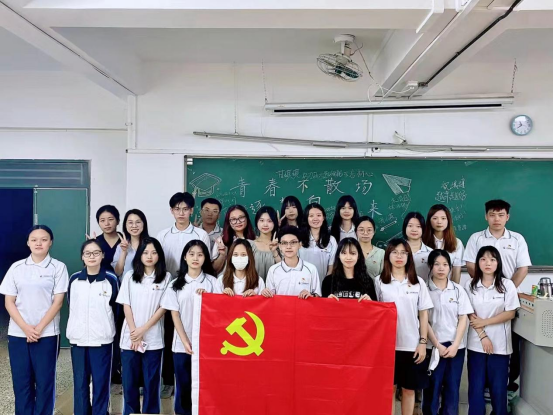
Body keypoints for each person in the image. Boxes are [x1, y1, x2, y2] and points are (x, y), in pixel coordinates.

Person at [463, 199, 531, 394]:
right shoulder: (476, 238)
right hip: (481, 296)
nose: (496, 219)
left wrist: (505, 289)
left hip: (508, 299)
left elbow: (523, 268)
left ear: (507, 217)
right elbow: (471, 265)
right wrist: (487, 286)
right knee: (480, 340)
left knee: (510, 342)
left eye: (501, 215)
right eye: (492, 214)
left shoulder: (517, 239)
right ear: (486, 216)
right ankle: (484, 388)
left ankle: (508, 386)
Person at [0, 225, 69, 415]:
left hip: (47, 334)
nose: (39, 243)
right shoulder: (16, 268)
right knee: (21, 382)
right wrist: (26, 328)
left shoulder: (58, 267)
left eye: (44, 239)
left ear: (51, 242)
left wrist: (38, 329)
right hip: (18, 334)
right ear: (28, 243)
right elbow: (9, 302)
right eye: (34, 239)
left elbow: (58, 302)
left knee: (45, 382)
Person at [160, 240, 221, 415]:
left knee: (204, 385)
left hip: (206, 345)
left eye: (200, 255)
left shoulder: (212, 282)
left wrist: (208, 298)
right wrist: (185, 341)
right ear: (185, 257)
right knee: (183, 384)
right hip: (181, 345)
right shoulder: (175, 284)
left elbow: (219, 312)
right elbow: (175, 315)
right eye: (192, 254)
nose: (195, 258)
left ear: (205, 258)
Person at [374, 238, 433, 415]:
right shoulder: (379, 281)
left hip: (412, 345)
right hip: (387, 346)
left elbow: (423, 314)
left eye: (403, 253)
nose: (399, 256)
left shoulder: (418, 282)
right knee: (389, 390)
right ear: (388, 255)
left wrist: (423, 342)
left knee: (409, 390)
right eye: (394, 252)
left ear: (409, 256)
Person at [116, 237, 171, 415]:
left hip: (153, 339)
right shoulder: (129, 276)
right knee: (129, 382)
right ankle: (130, 412)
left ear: (159, 256)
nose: (149, 256)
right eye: (145, 252)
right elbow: (126, 304)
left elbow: (163, 308)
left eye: (154, 252)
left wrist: (143, 330)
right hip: (130, 339)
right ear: (139, 255)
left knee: (151, 383)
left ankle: (150, 412)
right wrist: (134, 332)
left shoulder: (166, 277)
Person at [464, 246, 520, 415]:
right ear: (477, 263)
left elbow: (510, 313)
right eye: (483, 259)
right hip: (476, 344)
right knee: (476, 387)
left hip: (500, 346)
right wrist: (483, 336)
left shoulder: (507, 285)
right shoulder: (470, 285)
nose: (487, 263)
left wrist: (485, 322)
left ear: (498, 263)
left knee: (499, 388)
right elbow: (469, 313)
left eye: (492, 259)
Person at [67, 239, 119, 415]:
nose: (92, 256)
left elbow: (117, 310)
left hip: (102, 340)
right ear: (82, 256)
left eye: (96, 253)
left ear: (102, 255)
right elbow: (71, 305)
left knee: (101, 383)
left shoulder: (111, 280)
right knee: (80, 383)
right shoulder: (74, 279)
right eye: (87, 253)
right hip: (78, 340)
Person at [423, 250, 473, 415]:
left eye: (445, 264)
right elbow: (423, 320)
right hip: (433, 347)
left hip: (455, 347)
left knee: (452, 388)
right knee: (432, 388)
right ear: (430, 266)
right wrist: (437, 345)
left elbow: (463, 318)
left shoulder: (458, 290)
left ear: (450, 267)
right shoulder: (424, 290)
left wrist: (456, 344)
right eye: (437, 264)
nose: (441, 268)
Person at [157, 192, 213, 278]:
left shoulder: (201, 235)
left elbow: (205, 262)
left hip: (192, 281)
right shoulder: (162, 235)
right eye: (177, 209)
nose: (181, 213)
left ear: (191, 210)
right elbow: (157, 261)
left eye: (185, 209)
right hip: (166, 281)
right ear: (171, 210)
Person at [263, 226, 321, 298]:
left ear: (300, 244)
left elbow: (318, 296)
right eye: (284, 243)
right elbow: (269, 298)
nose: (288, 247)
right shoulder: (273, 270)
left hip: (304, 306)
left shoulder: (311, 269)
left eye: (293, 242)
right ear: (280, 246)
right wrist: (265, 293)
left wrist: (311, 295)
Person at [422, 204, 465, 284]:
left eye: (443, 218)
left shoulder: (456, 243)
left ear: (448, 221)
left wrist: (453, 289)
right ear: (429, 221)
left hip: (446, 288)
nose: (439, 222)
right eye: (435, 218)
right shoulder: (422, 242)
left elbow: (456, 272)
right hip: (424, 287)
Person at [299, 203, 337, 285]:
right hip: (302, 284)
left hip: (323, 284)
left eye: (319, 215)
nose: (315, 218)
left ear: (323, 218)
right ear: (306, 218)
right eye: (311, 216)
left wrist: (325, 284)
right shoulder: (299, 239)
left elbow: (331, 267)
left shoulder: (331, 240)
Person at [112, 209, 149, 277]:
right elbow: (117, 272)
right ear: (125, 225)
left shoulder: (151, 245)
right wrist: (124, 252)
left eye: (138, 222)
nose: (134, 226)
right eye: (130, 222)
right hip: (126, 283)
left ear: (144, 224)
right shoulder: (120, 246)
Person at [249, 206, 280, 281]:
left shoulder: (280, 245)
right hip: (254, 286)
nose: (265, 224)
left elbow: (285, 269)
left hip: (275, 286)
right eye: (262, 220)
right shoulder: (249, 244)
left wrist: (275, 252)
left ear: (275, 222)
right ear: (257, 222)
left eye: (269, 221)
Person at [91, 205, 122, 272]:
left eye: (110, 219)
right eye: (102, 220)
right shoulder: (95, 242)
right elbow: (87, 269)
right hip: (101, 278)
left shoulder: (126, 241)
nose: (107, 223)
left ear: (118, 221)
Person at [402, 212, 432, 282]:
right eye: (410, 226)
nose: (414, 230)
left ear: (423, 229)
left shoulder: (430, 253)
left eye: (418, 226)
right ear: (405, 227)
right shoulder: (396, 251)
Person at [355, 216, 385, 280]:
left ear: (374, 232)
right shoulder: (350, 251)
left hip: (375, 286)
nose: (365, 233)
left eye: (369, 230)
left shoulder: (381, 253)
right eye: (361, 230)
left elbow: (383, 277)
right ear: (356, 231)